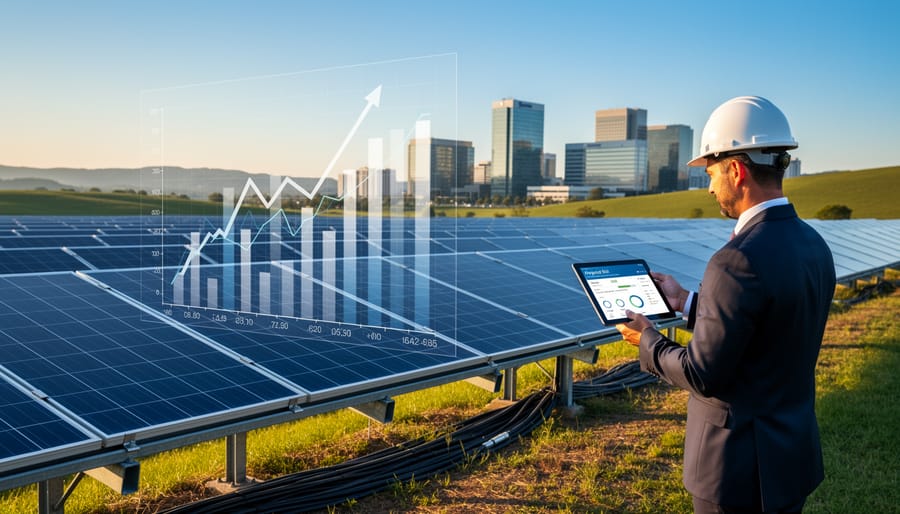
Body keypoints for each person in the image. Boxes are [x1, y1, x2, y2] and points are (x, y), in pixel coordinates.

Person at [616, 96, 836, 513]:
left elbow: (703, 375)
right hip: (789, 461)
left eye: (713, 173)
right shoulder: (813, 244)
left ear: (736, 170)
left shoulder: (736, 260)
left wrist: (647, 340)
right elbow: (768, 325)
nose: (711, 185)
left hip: (737, 471)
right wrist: (686, 302)